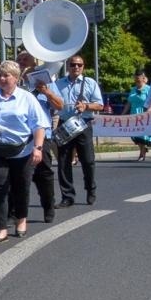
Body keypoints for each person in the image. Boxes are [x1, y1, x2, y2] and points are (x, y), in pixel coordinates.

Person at [0, 61, 49, 243]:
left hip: (22, 151)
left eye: (7, 76)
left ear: (17, 78)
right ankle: (1, 228)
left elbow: (39, 125)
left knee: (21, 187)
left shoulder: (26, 98)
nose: (3, 79)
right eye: (0, 75)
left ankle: (21, 220)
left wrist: (38, 148)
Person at [54, 54, 104, 206]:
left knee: (88, 160)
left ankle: (90, 189)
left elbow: (100, 105)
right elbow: (53, 102)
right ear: (68, 66)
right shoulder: (58, 83)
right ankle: (67, 196)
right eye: (73, 64)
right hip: (65, 123)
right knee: (63, 162)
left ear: (83, 67)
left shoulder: (90, 83)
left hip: (83, 123)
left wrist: (86, 106)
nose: (76, 67)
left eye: (79, 65)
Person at [16, 51, 61, 220]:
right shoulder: (14, 84)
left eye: (25, 60)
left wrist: (47, 92)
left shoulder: (45, 80)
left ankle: (48, 205)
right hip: (20, 136)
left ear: (34, 63)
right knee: (18, 176)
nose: (22, 63)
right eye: (19, 60)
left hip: (42, 135)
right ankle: (15, 212)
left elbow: (60, 105)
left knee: (43, 174)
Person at [126, 71, 151, 161]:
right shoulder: (133, 89)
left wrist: (150, 109)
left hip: (144, 114)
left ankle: (142, 154)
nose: (137, 81)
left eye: (139, 79)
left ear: (143, 79)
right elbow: (129, 103)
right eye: (136, 79)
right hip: (134, 114)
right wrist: (123, 114)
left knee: (142, 135)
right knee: (135, 134)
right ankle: (143, 149)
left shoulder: (148, 89)